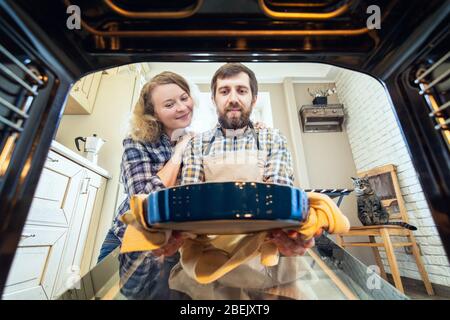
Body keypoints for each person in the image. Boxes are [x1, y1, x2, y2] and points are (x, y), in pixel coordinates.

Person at [97, 71, 195, 299]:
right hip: (129, 242)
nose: (182, 107)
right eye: (169, 104)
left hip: (174, 247)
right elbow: (144, 200)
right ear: (154, 113)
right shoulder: (137, 142)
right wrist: (177, 155)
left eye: (184, 97)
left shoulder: (196, 141)